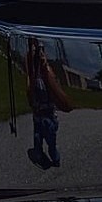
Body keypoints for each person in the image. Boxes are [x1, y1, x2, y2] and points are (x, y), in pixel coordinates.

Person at [25, 38, 72, 168]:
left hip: (49, 116)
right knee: (37, 138)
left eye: (39, 50)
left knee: (51, 142)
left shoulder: (49, 73)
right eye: (34, 52)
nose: (37, 55)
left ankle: (55, 159)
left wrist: (45, 68)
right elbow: (30, 95)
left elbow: (63, 101)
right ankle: (40, 155)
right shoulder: (33, 76)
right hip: (37, 115)